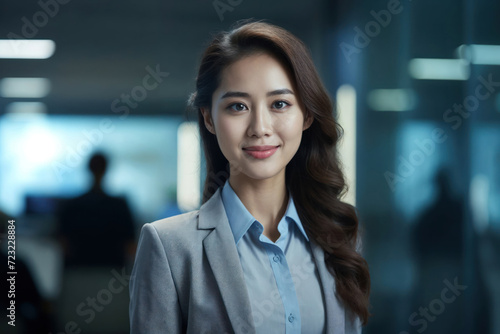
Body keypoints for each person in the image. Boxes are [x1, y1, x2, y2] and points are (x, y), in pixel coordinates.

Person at [129, 20, 370, 334]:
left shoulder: (338, 239)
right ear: (209, 118)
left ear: (307, 115)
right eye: (238, 106)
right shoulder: (170, 246)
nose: (260, 127)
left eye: (279, 104)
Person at [58, 152, 135, 268]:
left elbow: (63, 244)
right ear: (106, 169)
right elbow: (130, 246)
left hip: (77, 272)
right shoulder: (119, 206)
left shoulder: (72, 205)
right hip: (112, 273)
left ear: (88, 169)